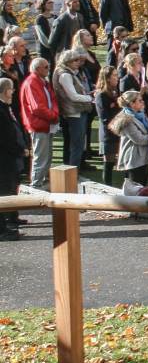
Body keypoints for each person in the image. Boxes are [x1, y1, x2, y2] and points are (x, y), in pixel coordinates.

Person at [20, 58, 58, 190]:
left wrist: (54, 114)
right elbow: (37, 108)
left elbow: (52, 100)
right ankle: (36, 186)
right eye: (46, 67)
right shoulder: (32, 82)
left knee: (46, 156)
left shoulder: (43, 82)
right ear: (37, 69)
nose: (49, 69)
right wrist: (53, 116)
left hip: (47, 124)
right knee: (41, 157)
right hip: (39, 125)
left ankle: (42, 183)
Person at [53, 48, 94, 170]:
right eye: (75, 60)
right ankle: (73, 172)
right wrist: (90, 98)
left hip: (75, 111)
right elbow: (73, 96)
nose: (78, 62)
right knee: (77, 144)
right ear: (67, 61)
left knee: (75, 144)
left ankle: (72, 171)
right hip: (74, 113)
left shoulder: (69, 73)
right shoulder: (65, 74)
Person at [110, 89, 148, 187]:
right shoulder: (126, 119)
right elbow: (139, 139)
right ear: (132, 104)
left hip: (143, 157)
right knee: (135, 188)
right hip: (134, 159)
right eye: (140, 100)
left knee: (142, 187)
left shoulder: (140, 114)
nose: (143, 102)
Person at [0, 78, 22, 240]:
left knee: (8, 189)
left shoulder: (5, 108)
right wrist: (18, 150)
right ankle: (3, 229)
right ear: (5, 90)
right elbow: (5, 137)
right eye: (11, 89)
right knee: (3, 192)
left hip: (8, 158)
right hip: (4, 159)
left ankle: (8, 222)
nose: (13, 92)